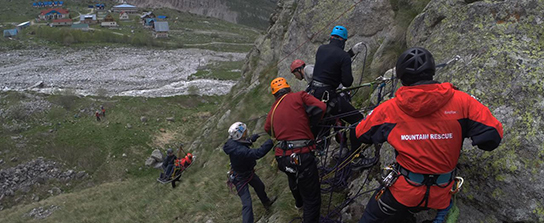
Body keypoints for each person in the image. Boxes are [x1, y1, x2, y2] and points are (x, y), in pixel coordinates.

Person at [355, 47, 503, 222]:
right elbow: (492, 138)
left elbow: (361, 134)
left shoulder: (390, 109)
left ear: (402, 77)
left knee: (372, 216)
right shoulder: (463, 102)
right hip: (442, 192)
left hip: (404, 191)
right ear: (431, 72)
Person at [307, 25, 376, 167]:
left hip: (314, 94)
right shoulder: (343, 56)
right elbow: (347, 81)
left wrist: (349, 54)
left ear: (331, 37)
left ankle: (309, 158)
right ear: (343, 41)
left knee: (316, 127)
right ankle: (356, 157)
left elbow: (330, 63)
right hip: (329, 96)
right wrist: (347, 59)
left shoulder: (321, 49)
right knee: (356, 119)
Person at [264, 77, 326, 222]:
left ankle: (299, 204)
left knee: (293, 178)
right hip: (302, 155)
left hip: (283, 158)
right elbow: (321, 108)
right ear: (289, 88)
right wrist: (310, 123)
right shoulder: (300, 96)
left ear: (275, 95)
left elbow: (268, 129)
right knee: (312, 199)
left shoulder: (273, 110)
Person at [223, 122, 277, 223]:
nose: (246, 132)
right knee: (247, 204)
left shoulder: (233, 142)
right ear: (240, 135)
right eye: (244, 132)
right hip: (240, 178)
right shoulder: (240, 150)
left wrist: (251, 139)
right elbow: (257, 153)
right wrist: (270, 142)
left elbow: (241, 143)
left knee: (260, 186)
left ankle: (266, 203)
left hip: (245, 173)